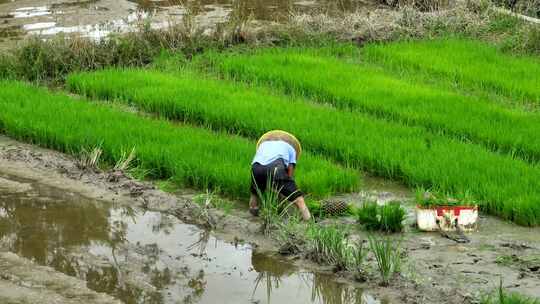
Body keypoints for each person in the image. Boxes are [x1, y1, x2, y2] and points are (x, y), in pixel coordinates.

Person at [249, 134, 311, 221]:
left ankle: (252, 219)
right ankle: (310, 224)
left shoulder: (263, 145)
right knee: (299, 199)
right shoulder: (291, 149)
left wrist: (279, 189)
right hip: (276, 167)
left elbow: (262, 165)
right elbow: (290, 173)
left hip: (256, 168)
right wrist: (291, 190)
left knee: (255, 192)